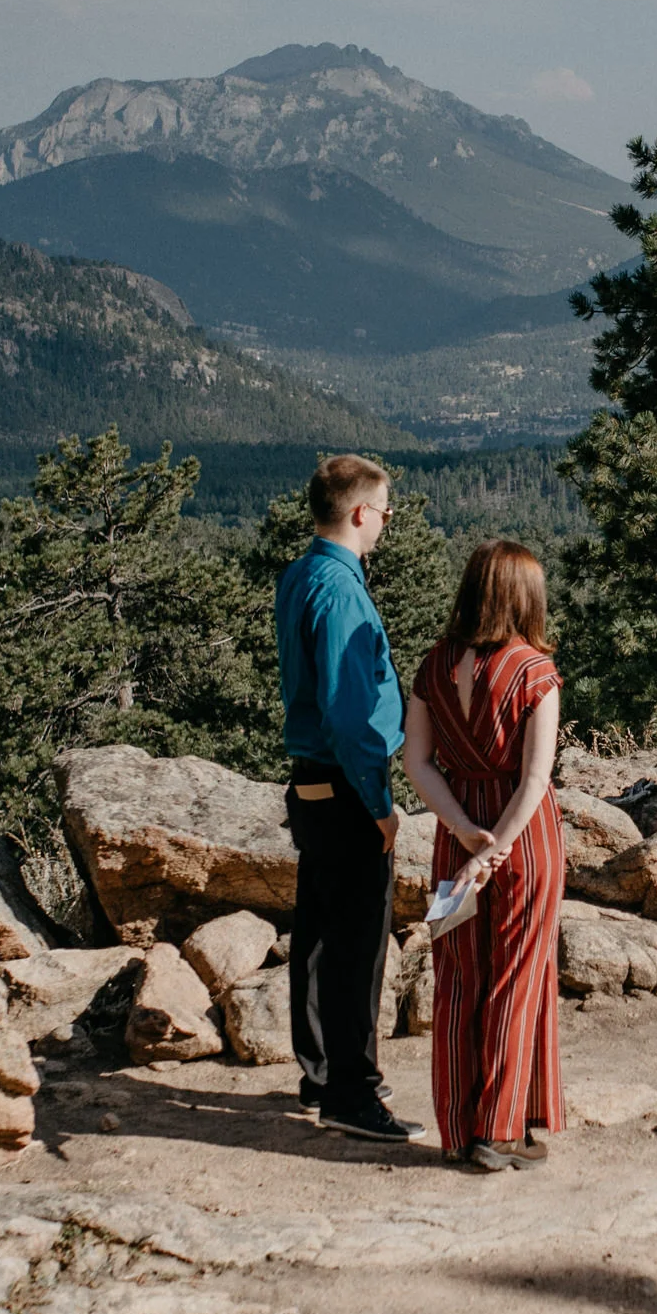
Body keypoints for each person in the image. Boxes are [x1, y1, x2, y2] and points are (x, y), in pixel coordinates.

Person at [400, 541, 565, 1173]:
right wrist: (494, 848)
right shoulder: (534, 672)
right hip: (523, 840)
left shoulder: (433, 667)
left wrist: (466, 832)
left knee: (460, 979)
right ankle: (501, 1130)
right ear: (524, 596)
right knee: (517, 976)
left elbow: (417, 762)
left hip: (454, 834)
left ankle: (460, 1128)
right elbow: (533, 780)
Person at [274, 454, 421, 1143]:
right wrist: (379, 802)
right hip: (344, 785)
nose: (387, 523)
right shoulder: (339, 592)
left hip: (311, 782)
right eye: (386, 511)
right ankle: (351, 1092)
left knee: (318, 931)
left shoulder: (301, 574)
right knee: (357, 942)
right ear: (360, 512)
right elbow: (349, 711)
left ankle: (321, 1070)